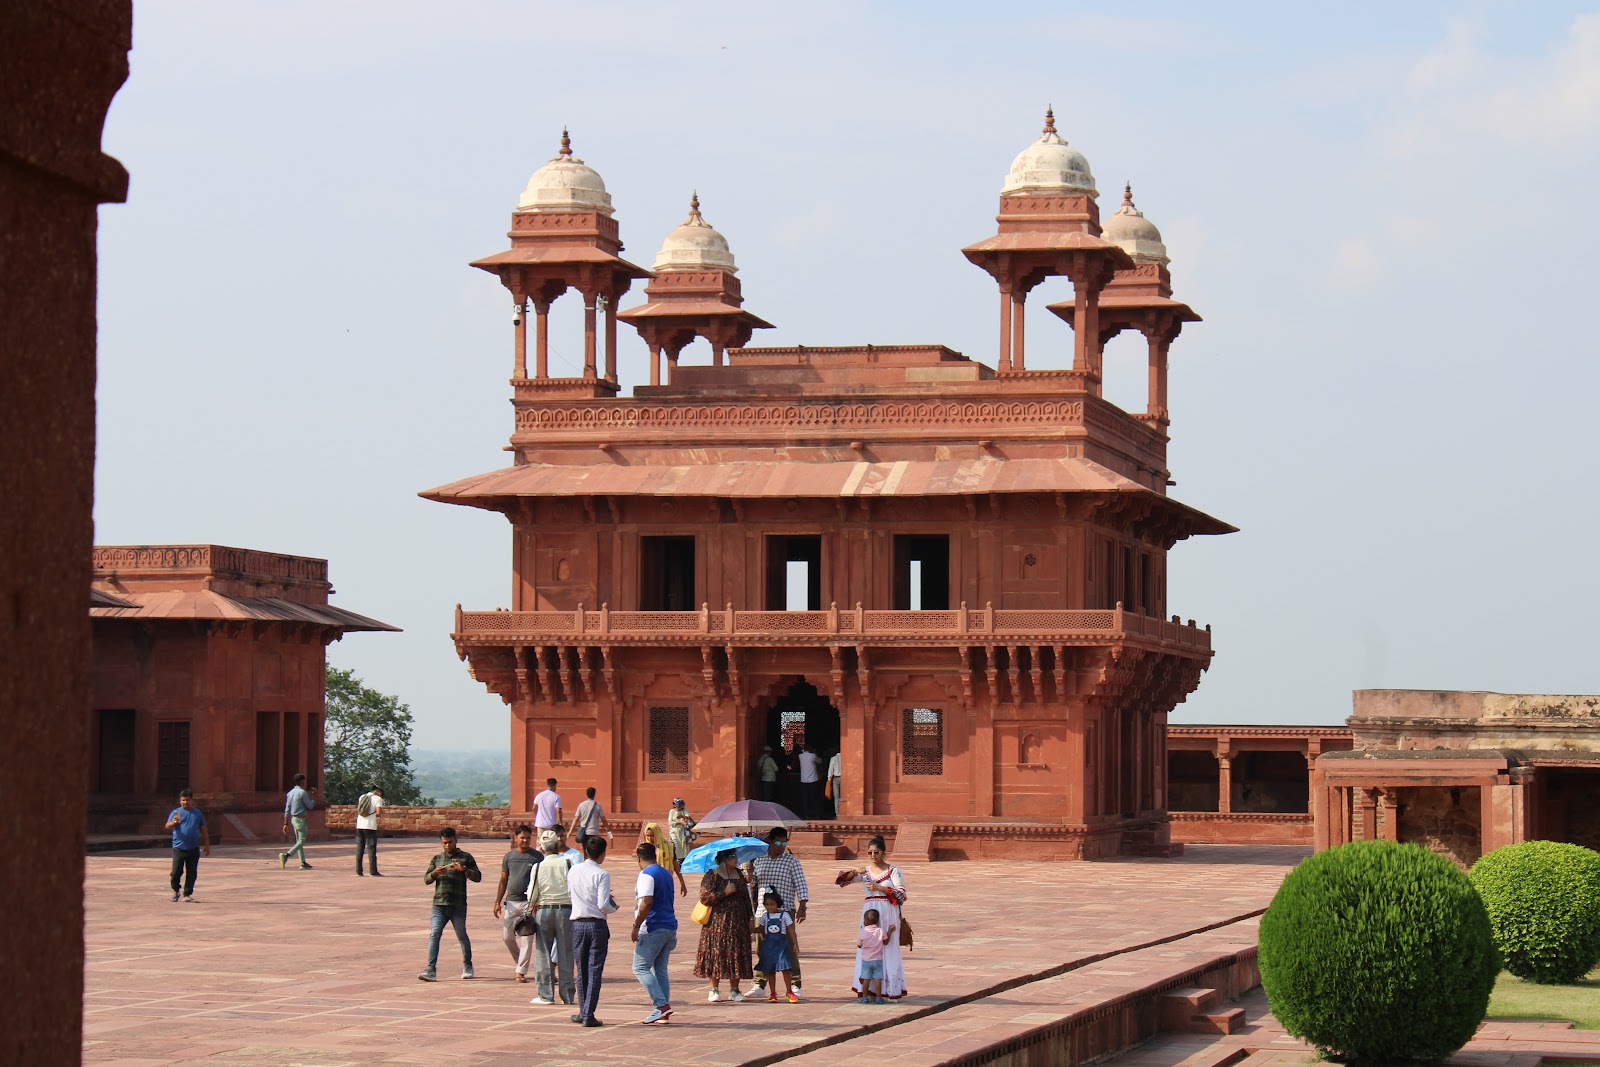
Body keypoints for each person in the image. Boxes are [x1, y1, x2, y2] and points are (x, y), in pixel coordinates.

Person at [839, 835, 908, 999]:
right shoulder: (866, 871)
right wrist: (855, 871)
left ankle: (890, 988)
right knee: (868, 946)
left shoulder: (892, 871)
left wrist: (880, 888)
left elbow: (902, 895)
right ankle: (867, 989)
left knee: (888, 947)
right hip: (869, 912)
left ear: (883, 852)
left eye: (876, 852)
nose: (872, 856)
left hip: (888, 911)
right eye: (869, 853)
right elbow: (841, 881)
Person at [747, 826, 808, 998]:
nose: (781, 845)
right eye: (778, 842)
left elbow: (800, 884)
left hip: (784, 910)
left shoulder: (791, 861)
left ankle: (795, 984)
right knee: (762, 948)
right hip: (762, 910)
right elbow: (752, 885)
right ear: (770, 842)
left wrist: (802, 906)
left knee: (788, 947)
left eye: (784, 842)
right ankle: (760, 984)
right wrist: (750, 874)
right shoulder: (759, 860)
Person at [419, 827, 482, 981]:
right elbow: (427, 879)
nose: (447, 846)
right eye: (445, 843)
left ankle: (467, 965)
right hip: (439, 903)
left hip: (458, 904)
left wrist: (464, 870)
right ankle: (431, 969)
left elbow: (478, 876)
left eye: (450, 842)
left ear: (456, 840)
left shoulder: (465, 857)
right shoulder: (437, 859)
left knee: (461, 935)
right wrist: (435, 873)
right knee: (434, 934)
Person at [567, 835, 617, 1027]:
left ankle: (583, 1010)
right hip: (596, 925)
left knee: (582, 970)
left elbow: (571, 894)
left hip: (578, 923)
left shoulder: (573, 871)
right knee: (594, 970)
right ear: (602, 854)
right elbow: (603, 903)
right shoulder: (602, 874)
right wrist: (614, 908)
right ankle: (588, 1013)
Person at [693, 847, 753, 1003]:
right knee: (717, 953)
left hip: (738, 922)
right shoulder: (711, 875)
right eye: (733, 857)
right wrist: (724, 892)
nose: (736, 859)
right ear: (725, 858)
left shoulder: (739, 874)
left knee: (736, 954)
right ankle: (714, 988)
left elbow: (746, 898)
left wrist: (750, 917)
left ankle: (734, 989)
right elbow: (705, 898)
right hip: (717, 923)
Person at [630, 841, 678, 1025]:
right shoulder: (665, 873)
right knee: (660, 970)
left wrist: (636, 925)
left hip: (653, 926)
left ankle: (661, 1005)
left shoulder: (646, 875)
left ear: (639, 858)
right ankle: (662, 1011)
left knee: (640, 967)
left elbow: (646, 902)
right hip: (669, 925)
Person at [527, 829, 576, 1007]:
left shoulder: (538, 866)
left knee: (543, 953)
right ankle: (568, 994)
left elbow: (531, 896)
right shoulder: (568, 864)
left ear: (541, 847)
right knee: (565, 953)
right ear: (557, 845)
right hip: (565, 910)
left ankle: (545, 994)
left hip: (544, 910)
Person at [492, 824, 542, 983]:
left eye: (528, 838)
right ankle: (519, 963)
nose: (526, 841)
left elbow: (541, 881)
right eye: (522, 838)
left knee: (527, 937)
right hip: (512, 902)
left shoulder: (537, 857)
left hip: (529, 902)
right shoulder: (509, 857)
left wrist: (537, 900)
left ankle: (520, 971)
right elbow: (503, 880)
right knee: (507, 936)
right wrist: (497, 901)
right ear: (515, 838)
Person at [164, 788, 210, 902]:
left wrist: (207, 845)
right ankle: (175, 890)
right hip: (179, 848)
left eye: (188, 800)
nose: (186, 802)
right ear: (180, 801)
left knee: (191, 872)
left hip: (193, 848)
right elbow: (167, 826)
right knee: (175, 873)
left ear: (192, 801)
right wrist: (173, 822)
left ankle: (187, 894)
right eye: (183, 800)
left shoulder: (197, 813)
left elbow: (203, 829)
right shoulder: (176, 813)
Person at [755, 889, 799, 1003]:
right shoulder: (765, 916)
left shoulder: (785, 915)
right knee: (770, 970)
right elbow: (760, 929)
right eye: (767, 905)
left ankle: (789, 991)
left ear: (777, 903)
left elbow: (791, 931)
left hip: (781, 946)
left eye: (772, 904)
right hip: (768, 947)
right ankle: (772, 992)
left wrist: (795, 944)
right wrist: (750, 927)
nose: (770, 907)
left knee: (785, 969)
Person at [855, 907, 894, 1003]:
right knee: (877, 979)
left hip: (866, 960)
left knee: (866, 979)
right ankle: (878, 997)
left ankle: (864, 997)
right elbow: (886, 942)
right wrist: (889, 932)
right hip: (878, 959)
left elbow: (859, 945)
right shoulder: (880, 931)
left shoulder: (863, 932)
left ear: (866, 921)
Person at [639, 821, 687, 897]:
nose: (650, 838)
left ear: (657, 834)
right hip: (650, 880)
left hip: (666, 880)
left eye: (652, 836)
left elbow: (675, 864)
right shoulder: (644, 848)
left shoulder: (669, 846)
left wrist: (682, 883)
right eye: (647, 836)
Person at [279, 773, 315, 870]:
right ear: (302, 781)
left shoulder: (290, 793)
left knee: (298, 841)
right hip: (300, 819)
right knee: (301, 841)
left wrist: (285, 823)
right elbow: (310, 806)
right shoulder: (302, 792)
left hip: (293, 819)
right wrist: (313, 799)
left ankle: (302, 862)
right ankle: (286, 855)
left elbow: (287, 809)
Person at [354, 785, 384, 876]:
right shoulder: (378, 799)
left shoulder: (362, 797)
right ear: (379, 792)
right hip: (370, 826)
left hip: (360, 825)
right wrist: (374, 812)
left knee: (360, 848)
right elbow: (379, 813)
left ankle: (359, 871)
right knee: (371, 849)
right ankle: (373, 871)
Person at [797, 743, 823, 819]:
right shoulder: (813, 756)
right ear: (810, 749)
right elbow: (820, 761)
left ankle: (806, 815)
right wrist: (815, 753)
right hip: (813, 780)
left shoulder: (800, 756)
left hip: (803, 780)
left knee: (805, 799)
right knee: (815, 798)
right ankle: (817, 814)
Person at [667, 798, 696, 863]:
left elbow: (687, 816)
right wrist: (679, 822)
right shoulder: (672, 811)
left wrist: (683, 816)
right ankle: (676, 858)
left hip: (683, 831)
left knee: (684, 845)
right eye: (677, 806)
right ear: (674, 805)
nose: (679, 807)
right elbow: (670, 822)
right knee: (676, 843)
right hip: (674, 831)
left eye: (680, 806)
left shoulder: (684, 810)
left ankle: (683, 859)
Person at [826, 750, 842, 818]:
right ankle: (844, 813)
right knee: (844, 797)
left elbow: (830, 770)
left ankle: (837, 814)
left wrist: (829, 780)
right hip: (844, 779)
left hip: (835, 779)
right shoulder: (845, 758)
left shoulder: (833, 758)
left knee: (836, 797)